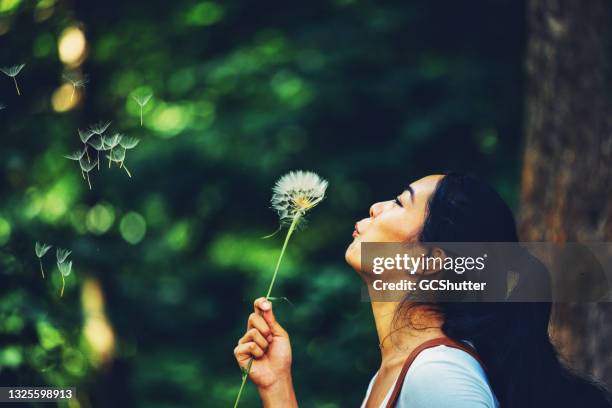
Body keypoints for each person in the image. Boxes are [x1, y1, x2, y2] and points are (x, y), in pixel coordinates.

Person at [234, 172, 612, 407]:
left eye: (399, 202)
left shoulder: (439, 375)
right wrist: (277, 384)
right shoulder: (401, 374)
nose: (376, 207)